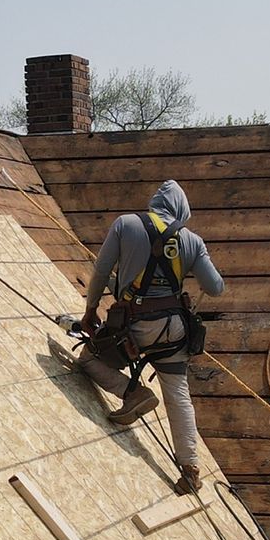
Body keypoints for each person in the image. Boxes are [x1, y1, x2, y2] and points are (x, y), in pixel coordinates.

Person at [75, 180, 224, 494]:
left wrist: (90, 311)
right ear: (181, 211)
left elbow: (101, 271)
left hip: (133, 327)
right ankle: (191, 469)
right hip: (174, 330)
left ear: (155, 203)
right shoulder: (192, 240)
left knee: (88, 358)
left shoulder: (126, 224)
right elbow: (215, 288)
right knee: (178, 394)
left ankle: (132, 392)